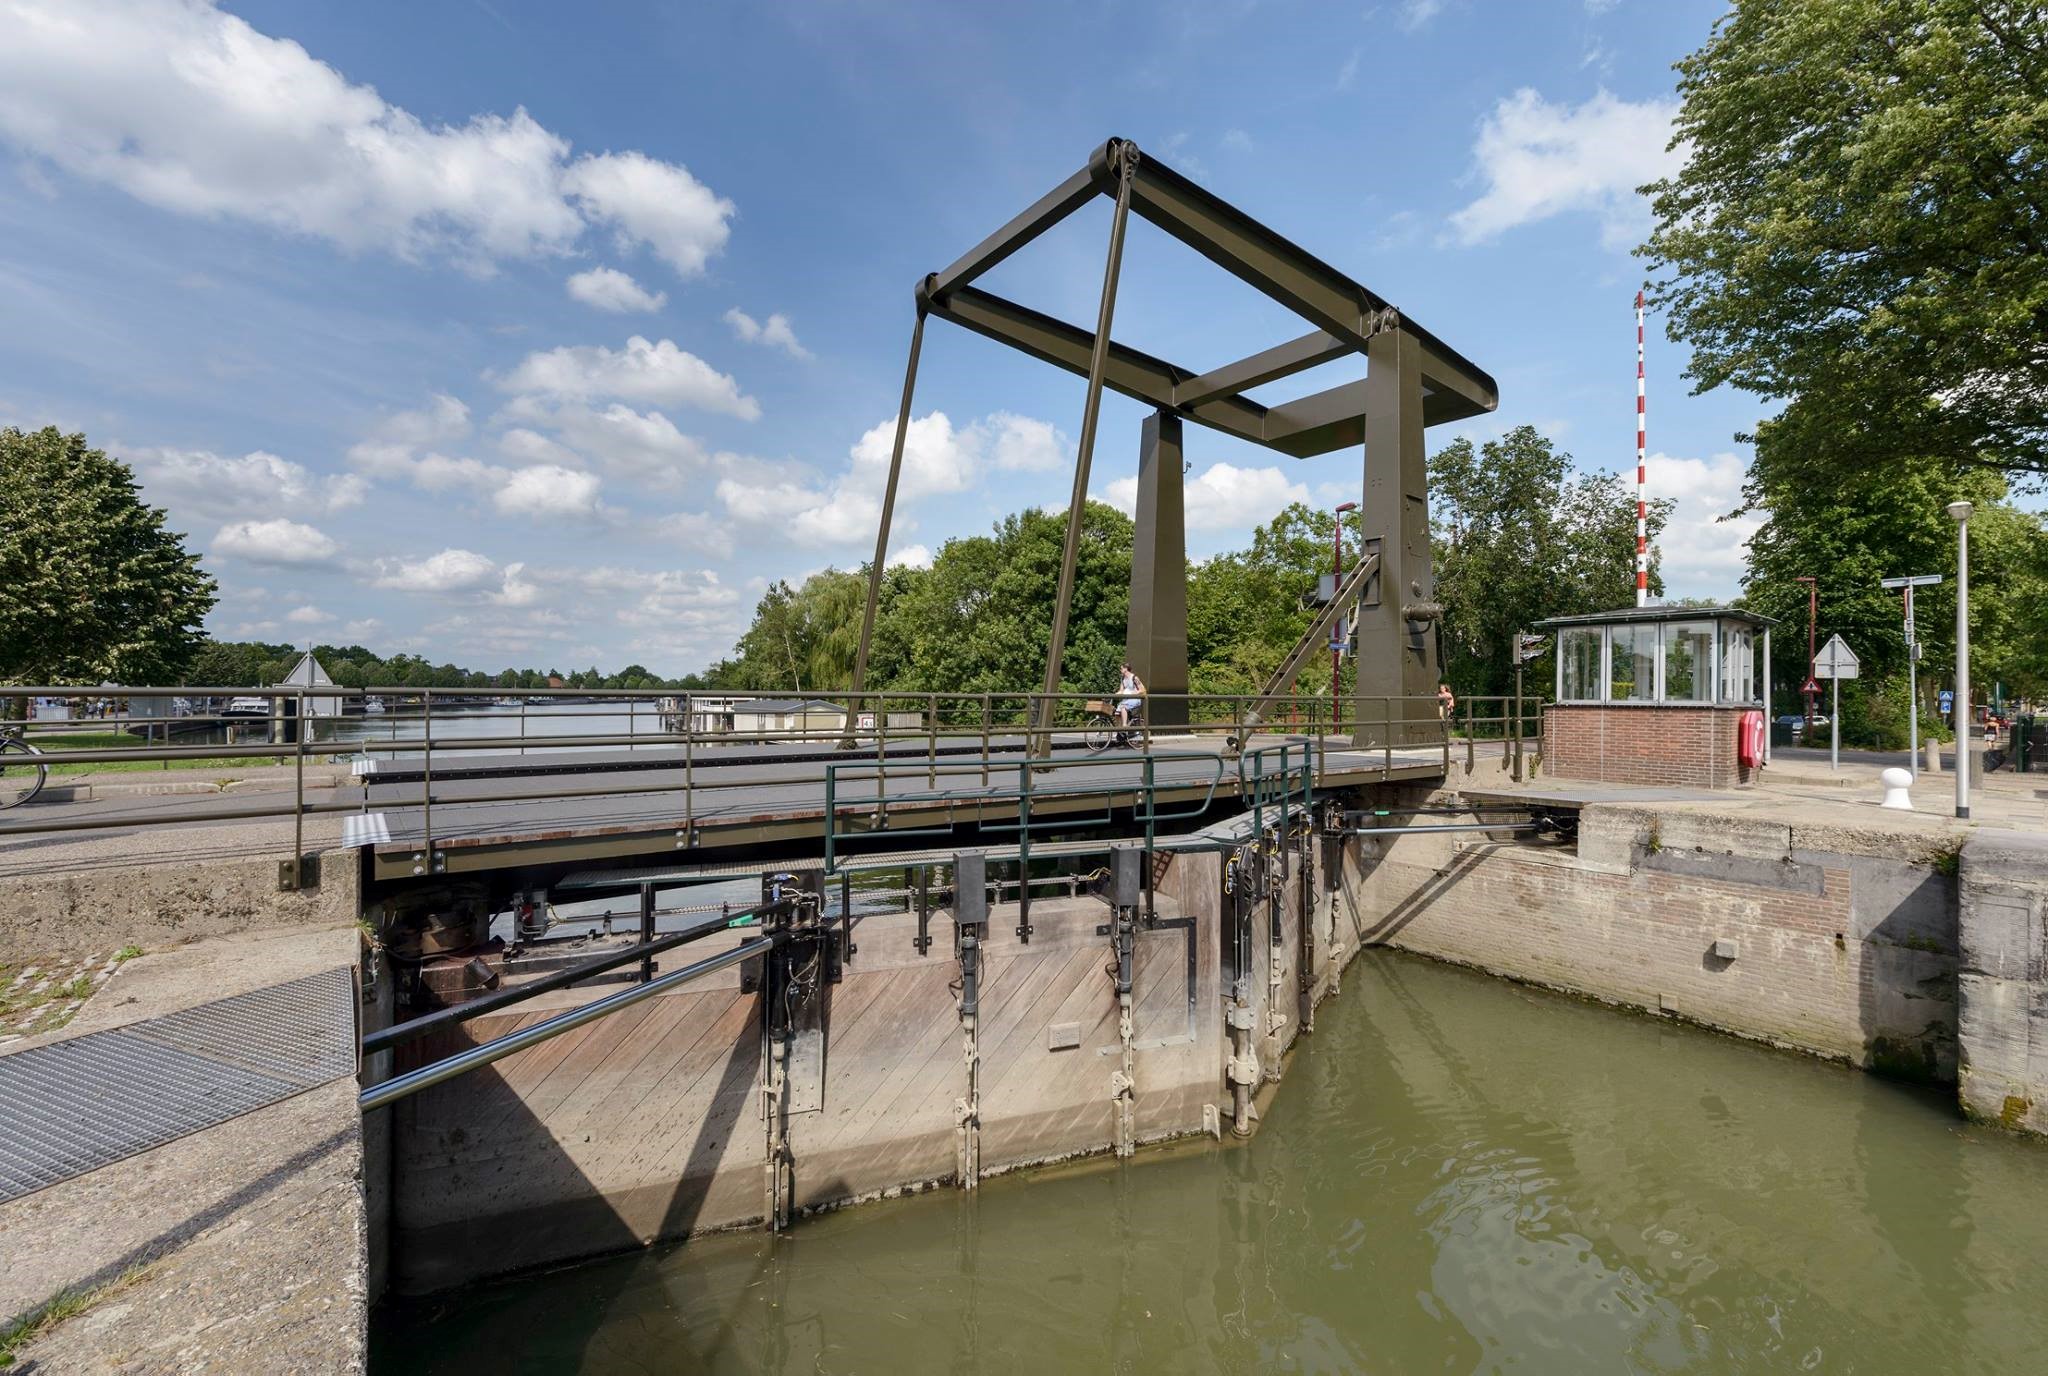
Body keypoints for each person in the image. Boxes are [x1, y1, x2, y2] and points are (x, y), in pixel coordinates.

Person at [1115, 663, 1146, 733]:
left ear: (1126, 669)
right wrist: (1114, 694)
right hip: (1127, 699)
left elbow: (1143, 689)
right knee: (1116, 714)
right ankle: (1119, 731)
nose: (1120, 670)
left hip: (1135, 699)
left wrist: (1134, 693)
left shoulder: (1134, 678)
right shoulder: (1123, 678)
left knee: (1123, 707)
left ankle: (1124, 727)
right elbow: (1121, 690)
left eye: (1121, 668)